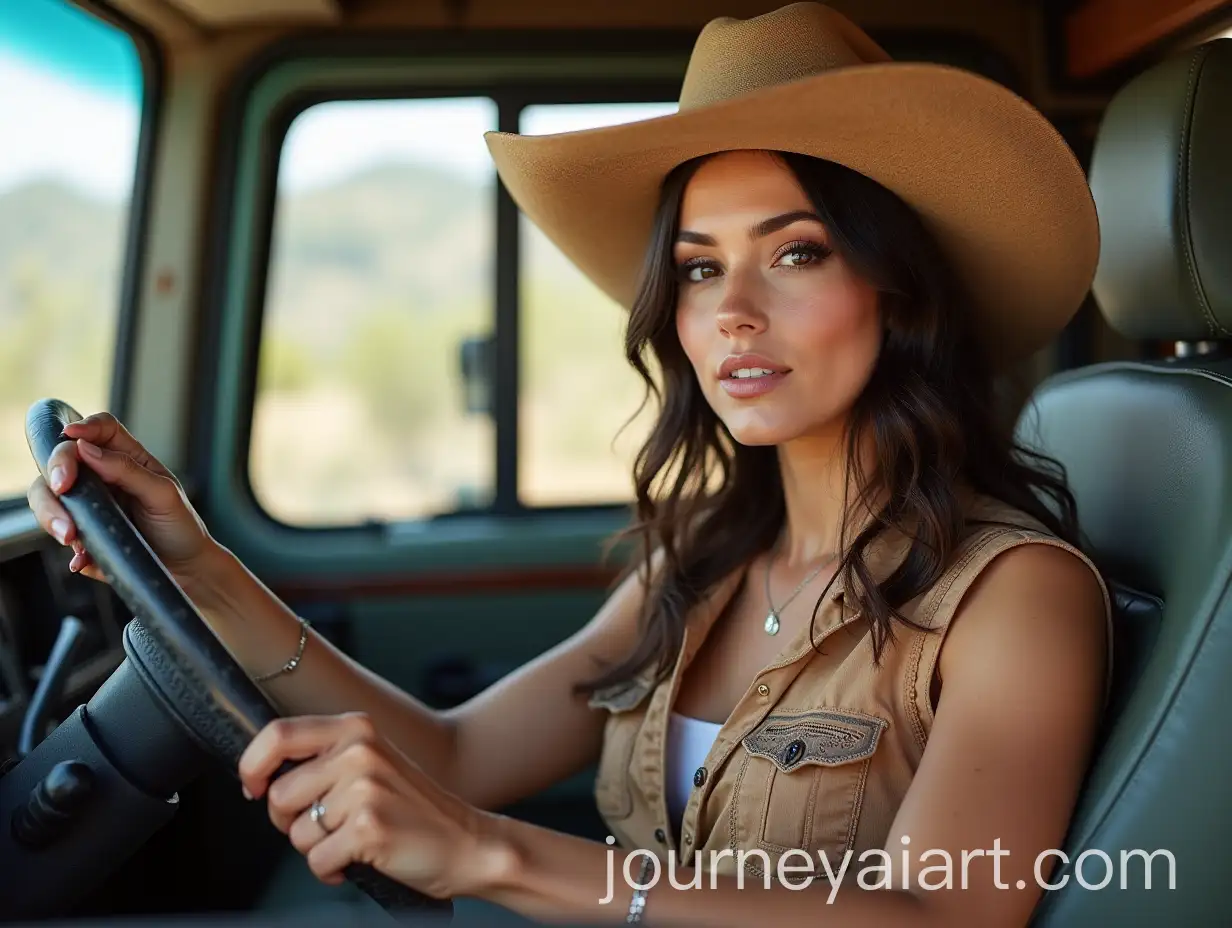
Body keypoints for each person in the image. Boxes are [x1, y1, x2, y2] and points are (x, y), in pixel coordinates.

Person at [28, 4, 1113, 926]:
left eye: (793, 252)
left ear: (899, 289)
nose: (730, 312)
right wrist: (198, 563)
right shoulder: (703, 556)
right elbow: (450, 756)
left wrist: (495, 856)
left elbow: (939, 914)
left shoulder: (1013, 596)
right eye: (696, 268)